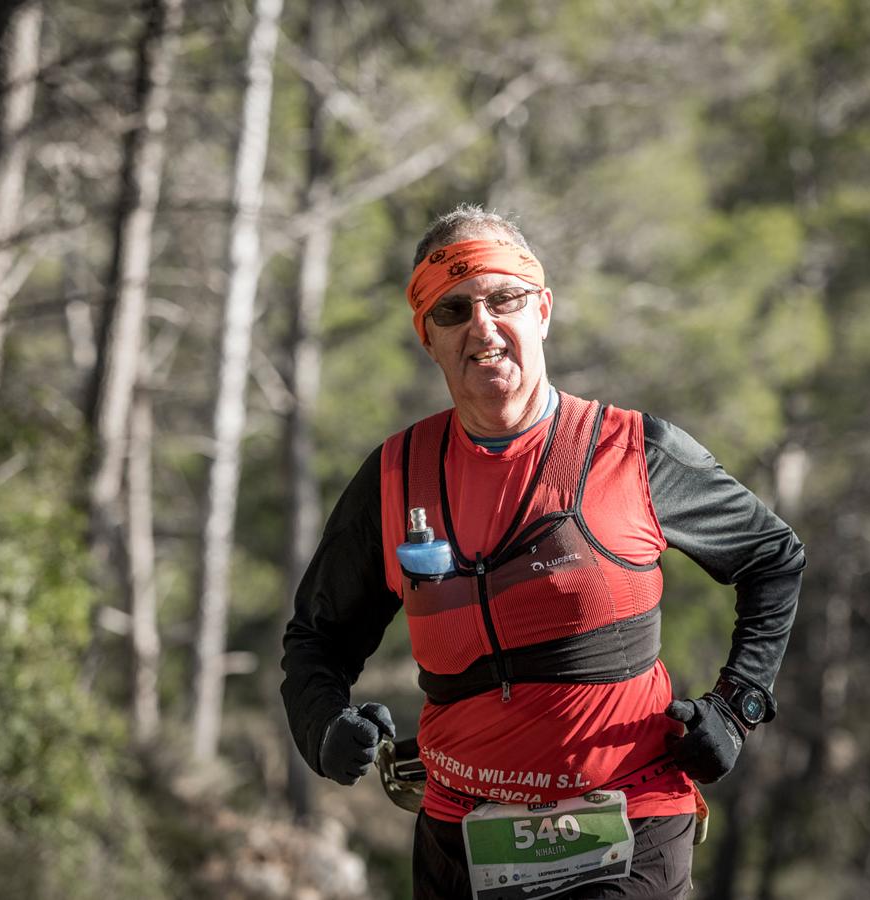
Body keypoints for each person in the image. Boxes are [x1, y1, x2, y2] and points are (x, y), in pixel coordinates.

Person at [280, 205, 806, 899]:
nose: (483, 326)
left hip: (628, 818)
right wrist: (322, 725)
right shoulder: (394, 477)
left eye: (505, 299)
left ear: (543, 310)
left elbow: (772, 558)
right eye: (454, 310)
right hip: (459, 836)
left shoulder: (634, 450)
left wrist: (737, 706)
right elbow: (317, 638)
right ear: (427, 339)